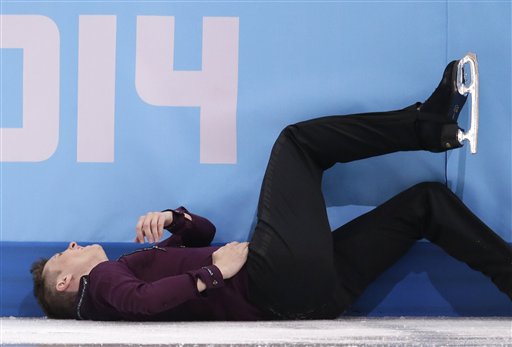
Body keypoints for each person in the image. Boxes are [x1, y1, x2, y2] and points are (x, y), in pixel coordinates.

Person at [31, 60, 512, 320]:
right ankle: (424, 126)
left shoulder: (118, 276)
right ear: (66, 283)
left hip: (315, 296)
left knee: (425, 203)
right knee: (297, 143)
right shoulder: (102, 288)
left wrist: (176, 221)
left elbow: (206, 234)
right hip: (268, 279)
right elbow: (146, 302)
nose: (71, 247)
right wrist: (212, 275)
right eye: (62, 256)